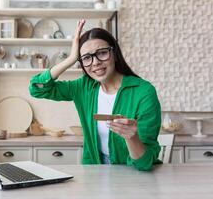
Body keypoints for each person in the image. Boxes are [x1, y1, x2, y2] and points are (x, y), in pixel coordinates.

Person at [29, 20, 161, 171]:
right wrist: (71, 59)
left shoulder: (143, 92)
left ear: (115, 54)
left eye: (102, 53)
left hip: (131, 171)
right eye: (86, 58)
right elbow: (37, 88)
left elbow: (144, 164)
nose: (95, 62)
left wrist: (132, 138)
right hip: (94, 169)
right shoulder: (84, 86)